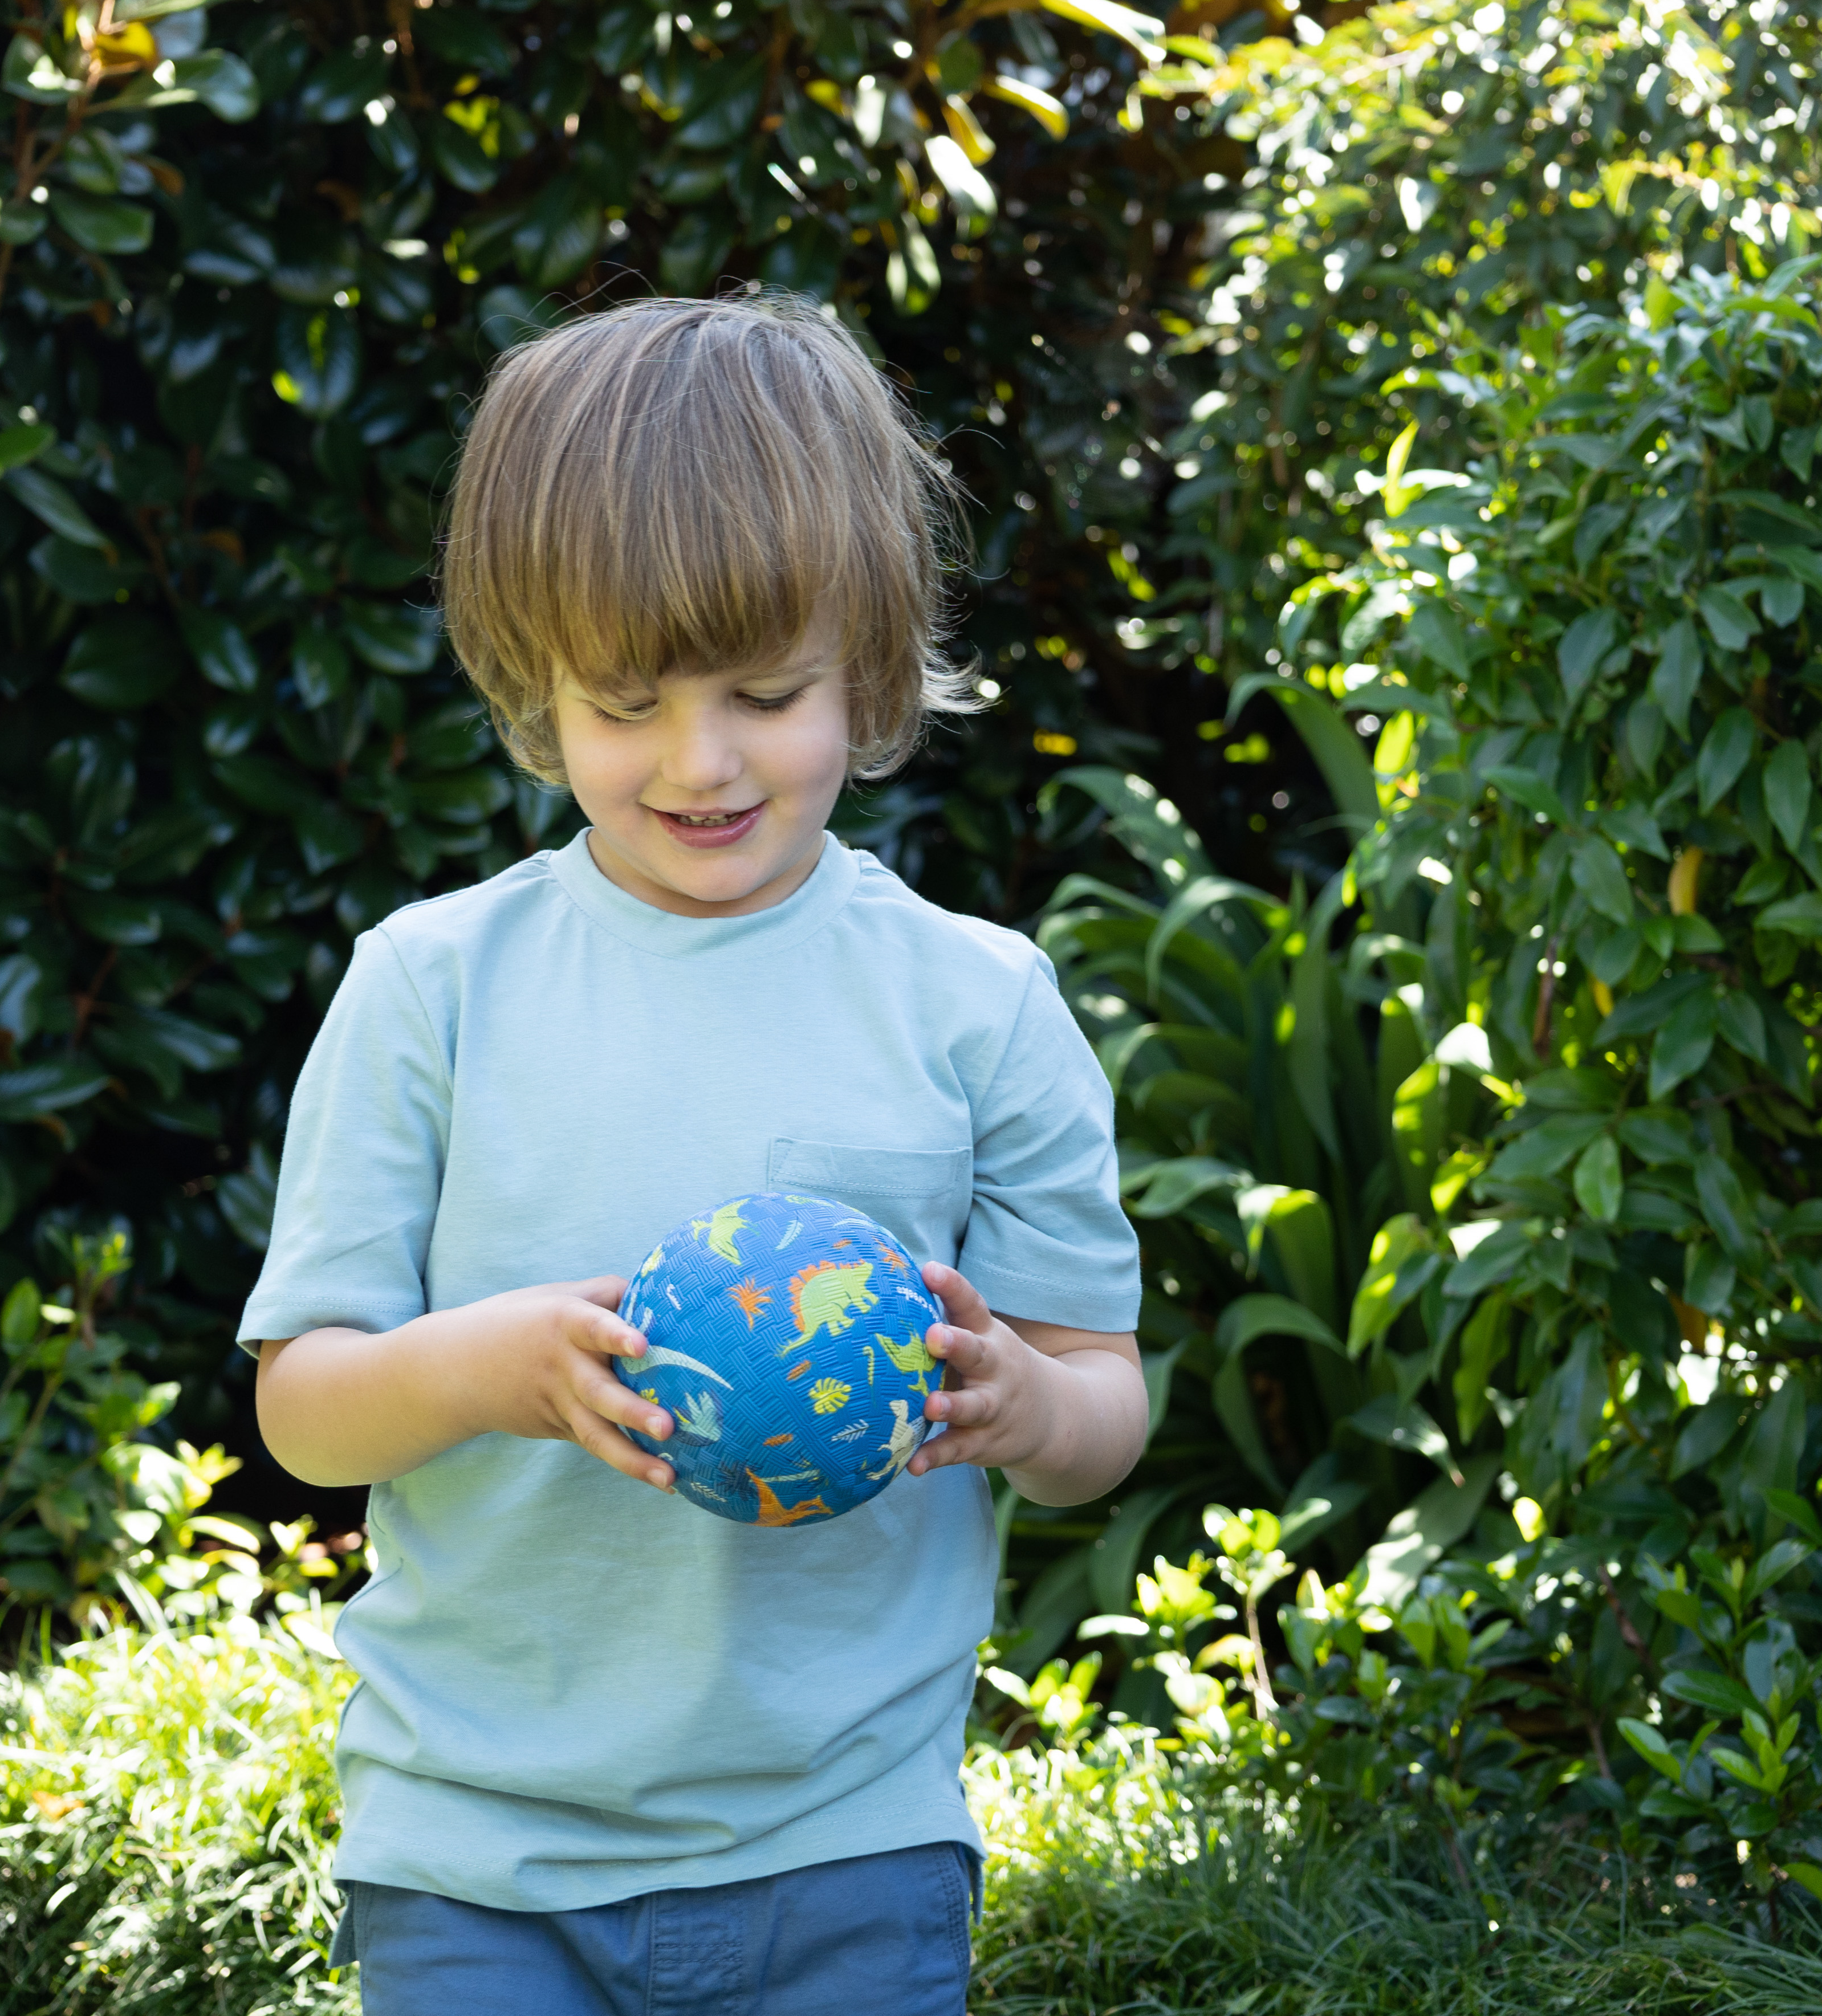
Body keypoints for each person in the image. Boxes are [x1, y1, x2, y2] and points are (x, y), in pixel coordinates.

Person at [243, 290, 1146, 2015]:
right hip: (478, 1855)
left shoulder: (977, 1006)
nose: (700, 760)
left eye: (765, 690)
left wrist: (1029, 1410)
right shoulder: (432, 991)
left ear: (868, 664)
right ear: (534, 684)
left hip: (850, 1843)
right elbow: (304, 1408)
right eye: (626, 700)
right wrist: (493, 1366)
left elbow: (1101, 1395)